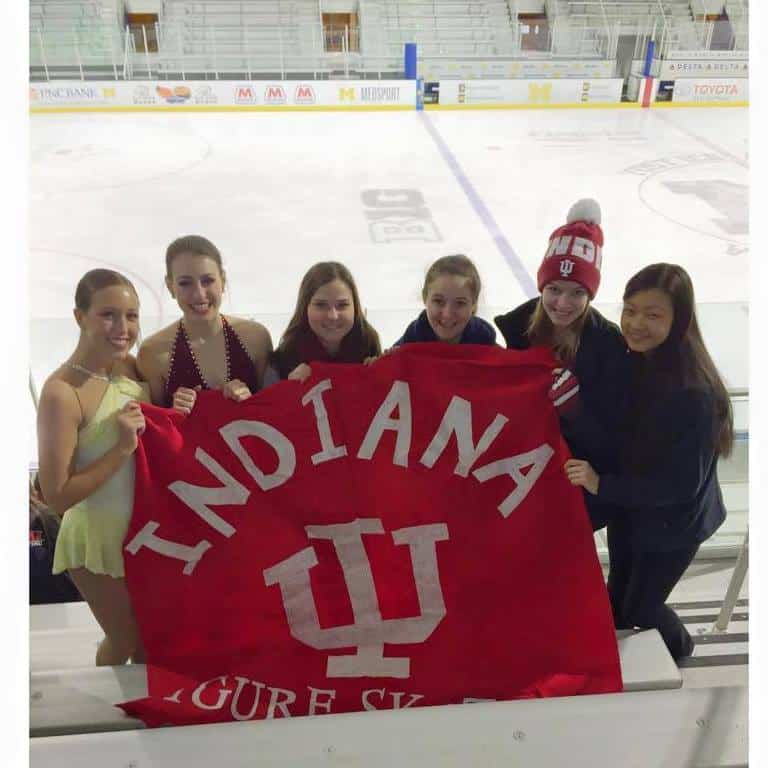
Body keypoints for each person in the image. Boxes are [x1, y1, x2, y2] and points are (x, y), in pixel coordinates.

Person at [565, 263, 732, 661]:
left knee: (641, 607)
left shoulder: (694, 393)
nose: (636, 323)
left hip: (674, 525)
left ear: (679, 320)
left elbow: (679, 486)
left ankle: (680, 649)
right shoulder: (635, 359)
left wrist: (600, 484)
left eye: (653, 315)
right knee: (615, 598)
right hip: (634, 512)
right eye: (630, 309)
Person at [36, 269, 148, 664]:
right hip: (94, 538)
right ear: (79, 317)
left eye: (132, 316)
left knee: (152, 644)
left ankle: (138, 722)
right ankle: (108, 717)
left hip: (143, 532)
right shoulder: (61, 393)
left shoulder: (133, 369)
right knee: (127, 639)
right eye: (108, 315)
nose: (123, 327)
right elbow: (57, 495)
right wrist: (120, 449)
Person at [493, 199, 627, 529]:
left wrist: (575, 410)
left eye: (576, 293)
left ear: (591, 295)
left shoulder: (610, 347)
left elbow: (615, 443)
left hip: (576, 488)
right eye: (553, 289)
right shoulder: (519, 326)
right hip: (523, 474)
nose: (562, 304)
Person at [138, 235, 272, 413]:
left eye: (208, 281)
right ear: (170, 286)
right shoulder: (153, 353)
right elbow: (153, 430)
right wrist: (172, 413)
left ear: (223, 280)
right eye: (185, 283)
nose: (199, 294)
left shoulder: (256, 338)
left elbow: (275, 409)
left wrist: (252, 401)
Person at [267, 261, 381, 383]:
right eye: (321, 305)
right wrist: (288, 389)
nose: (333, 316)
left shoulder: (369, 343)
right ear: (305, 307)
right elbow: (267, 400)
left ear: (355, 307)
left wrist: (381, 375)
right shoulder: (286, 356)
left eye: (342, 305)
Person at [393, 254, 496, 346]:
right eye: (438, 301)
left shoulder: (483, 339)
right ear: (425, 298)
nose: (447, 314)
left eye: (460, 303)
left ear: (473, 304)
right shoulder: (413, 338)